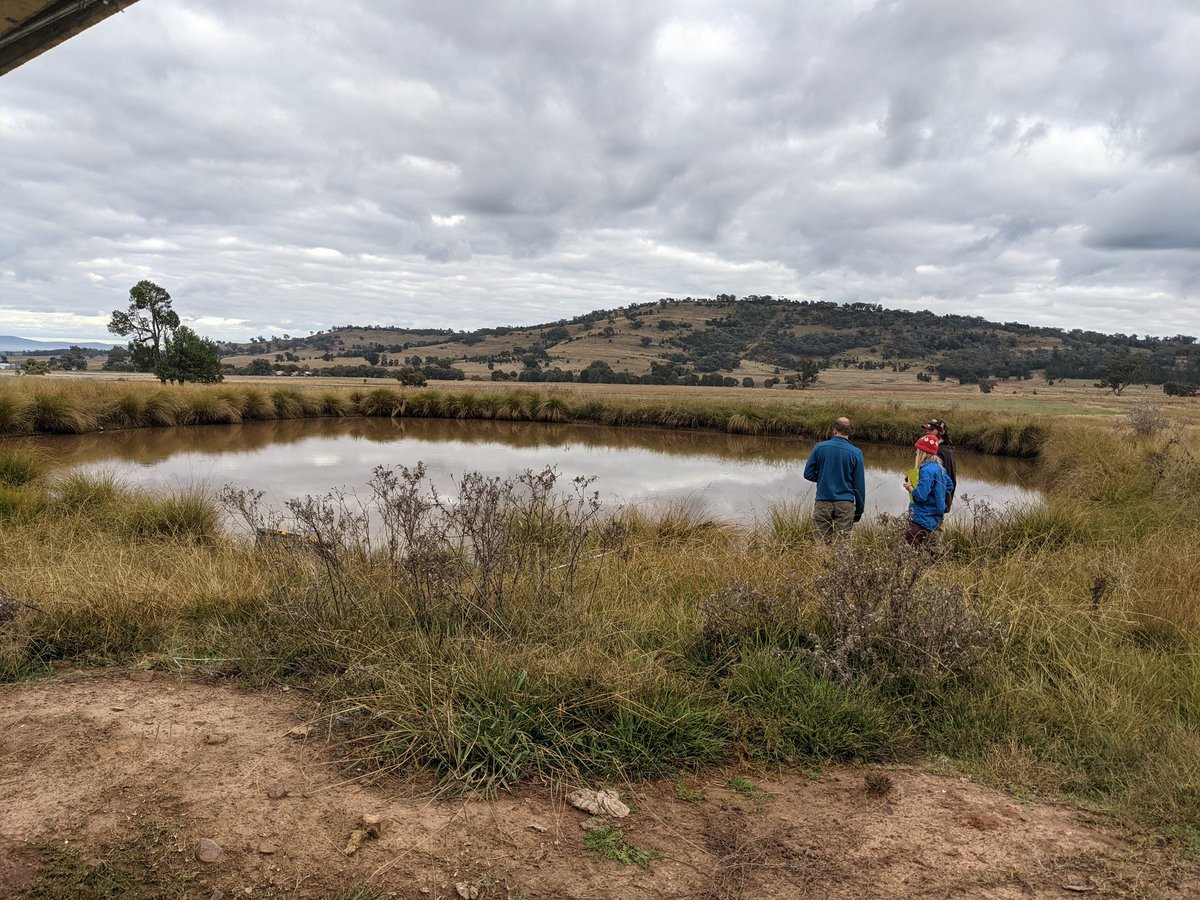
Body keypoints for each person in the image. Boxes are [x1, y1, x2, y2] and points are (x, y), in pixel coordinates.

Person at [803, 416, 866, 542]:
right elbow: (859, 485)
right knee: (842, 544)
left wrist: (824, 478)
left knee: (821, 542)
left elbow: (808, 474)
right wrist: (859, 510)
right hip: (845, 503)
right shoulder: (856, 453)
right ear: (849, 432)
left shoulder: (819, 447)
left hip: (823, 501)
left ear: (834, 430)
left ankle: (820, 561)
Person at [903, 433, 954, 548]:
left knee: (905, 551)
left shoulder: (926, 470)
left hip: (921, 518)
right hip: (935, 519)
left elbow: (921, 496)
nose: (916, 453)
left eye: (918, 450)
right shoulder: (940, 468)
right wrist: (937, 492)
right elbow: (949, 486)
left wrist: (910, 487)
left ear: (923, 452)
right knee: (931, 554)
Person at [922, 418, 957, 512]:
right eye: (927, 430)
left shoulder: (941, 452)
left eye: (931, 430)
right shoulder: (940, 449)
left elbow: (947, 480)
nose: (927, 433)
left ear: (941, 432)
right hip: (935, 502)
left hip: (936, 503)